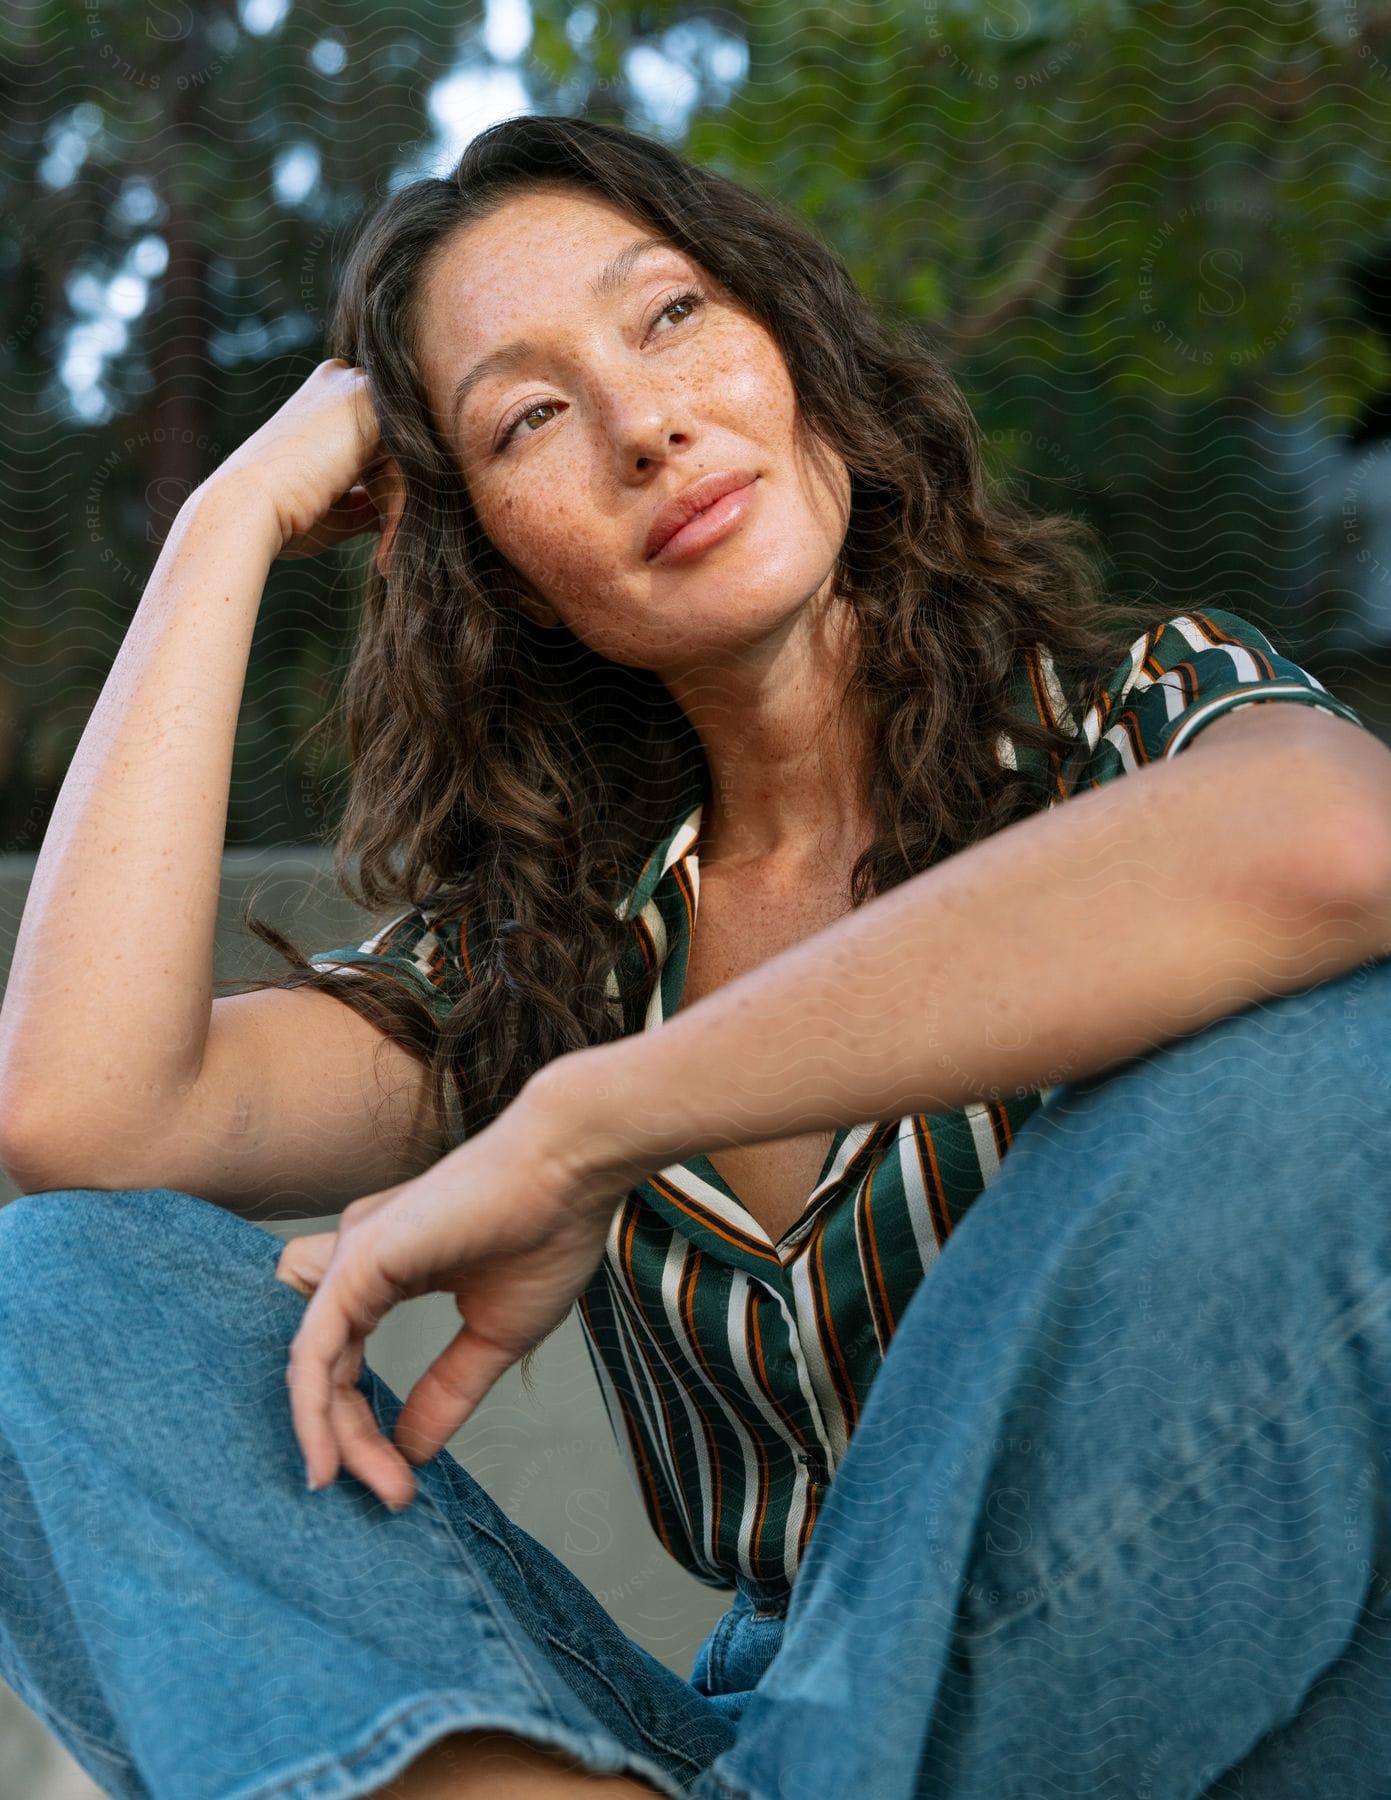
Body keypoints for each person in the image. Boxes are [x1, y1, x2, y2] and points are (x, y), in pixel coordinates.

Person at [2, 110, 1391, 1800]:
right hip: (748, 1728)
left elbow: (1341, 849)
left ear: (795, 349)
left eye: (670, 317)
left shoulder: (1132, 724)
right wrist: (227, 522)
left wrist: (588, 1124)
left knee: (1330, 1047)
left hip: (1184, 1691)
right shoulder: (564, 945)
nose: (644, 425)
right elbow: (83, 1122)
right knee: (49, 1294)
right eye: (526, 419)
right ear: (495, 564)